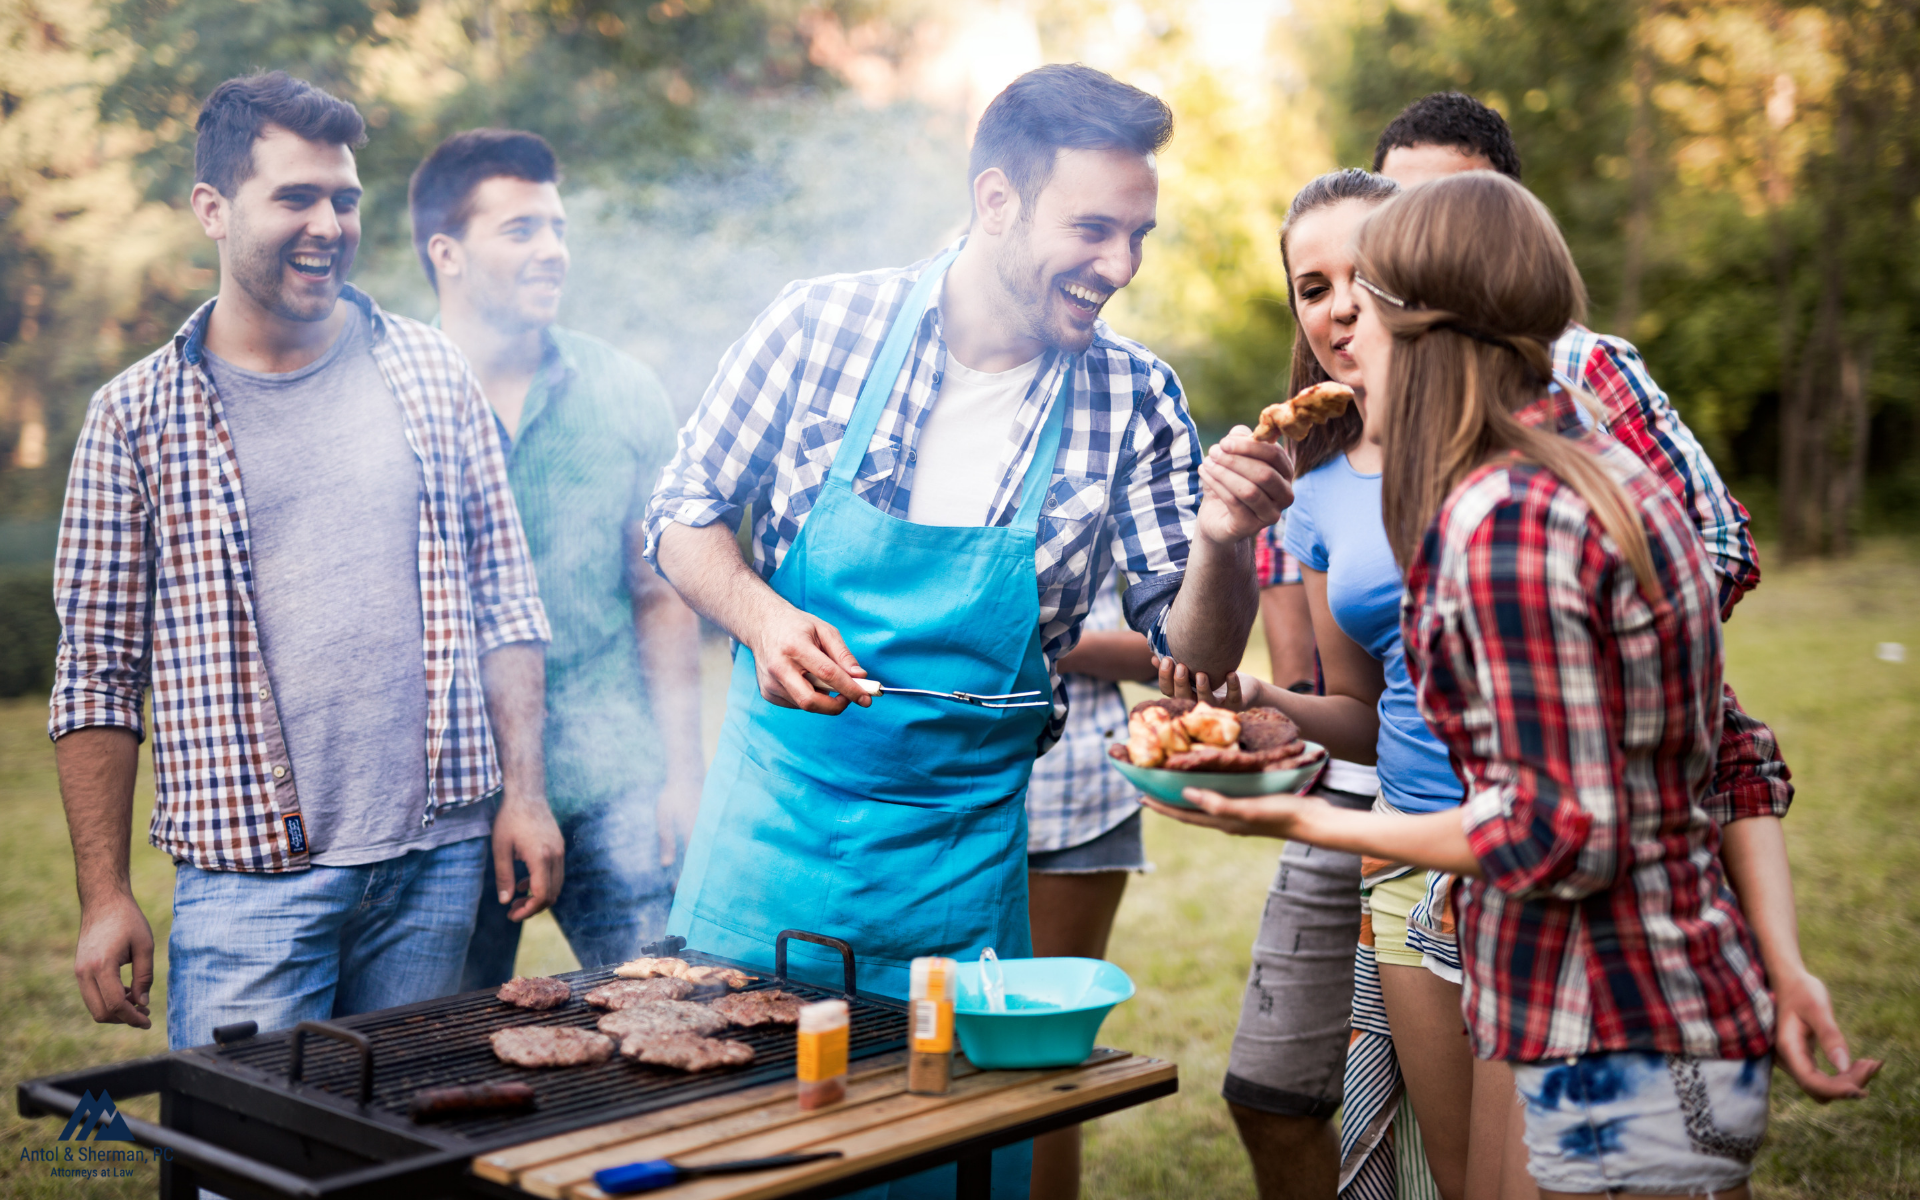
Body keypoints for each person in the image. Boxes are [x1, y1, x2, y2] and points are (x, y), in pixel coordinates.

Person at [1154, 170, 1879, 1199]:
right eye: (1324, 296)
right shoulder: (1601, 472)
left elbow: (1558, 837)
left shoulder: (1506, 517)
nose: (1348, 326)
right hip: (1651, 1013)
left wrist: (1302, 824)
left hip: (1611, 1033)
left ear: (1424, 322)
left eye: (1374, 302)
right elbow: (1735, 749)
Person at [645, 63, 1290, 1198]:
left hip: (959, 867)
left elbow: (1195, 656)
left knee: (940, 1172)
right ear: (997, 199)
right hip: (772, 844)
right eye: (1093, 228)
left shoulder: (1135, 398)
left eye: (1139, 234)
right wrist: (763, 615)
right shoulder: (818, 325)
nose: (1120, 266)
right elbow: (680, 517)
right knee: (740, 1162)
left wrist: (1227, 538)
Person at [48, 72, 561, 1051]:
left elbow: (506, 601)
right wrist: (105, 895)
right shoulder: (134, 416)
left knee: (410, 1157)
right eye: (294, 197)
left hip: (438, 867)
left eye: (345, 199)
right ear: (213, 208)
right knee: (248, 1168)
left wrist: (525, 797)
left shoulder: (430, 368)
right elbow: (97, 680)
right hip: (251, 884)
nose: (328, 223)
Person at [406, 129, 702, 985]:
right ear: (447, 253)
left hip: (613, 779)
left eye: (558, 229)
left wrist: (682, 774)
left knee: (669, 1023)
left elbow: (661, 594)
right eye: (522, 230)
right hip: (444, 806)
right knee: (433, 1065)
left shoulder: (625, 390)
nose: (552, 252)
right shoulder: (391, 395)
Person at [1023, 570, 1156, 1200]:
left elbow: (1168, 653)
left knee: (1046, 1051)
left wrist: (1037, 633)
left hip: (1076, 801)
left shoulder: (1111, 471)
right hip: (936, 802)